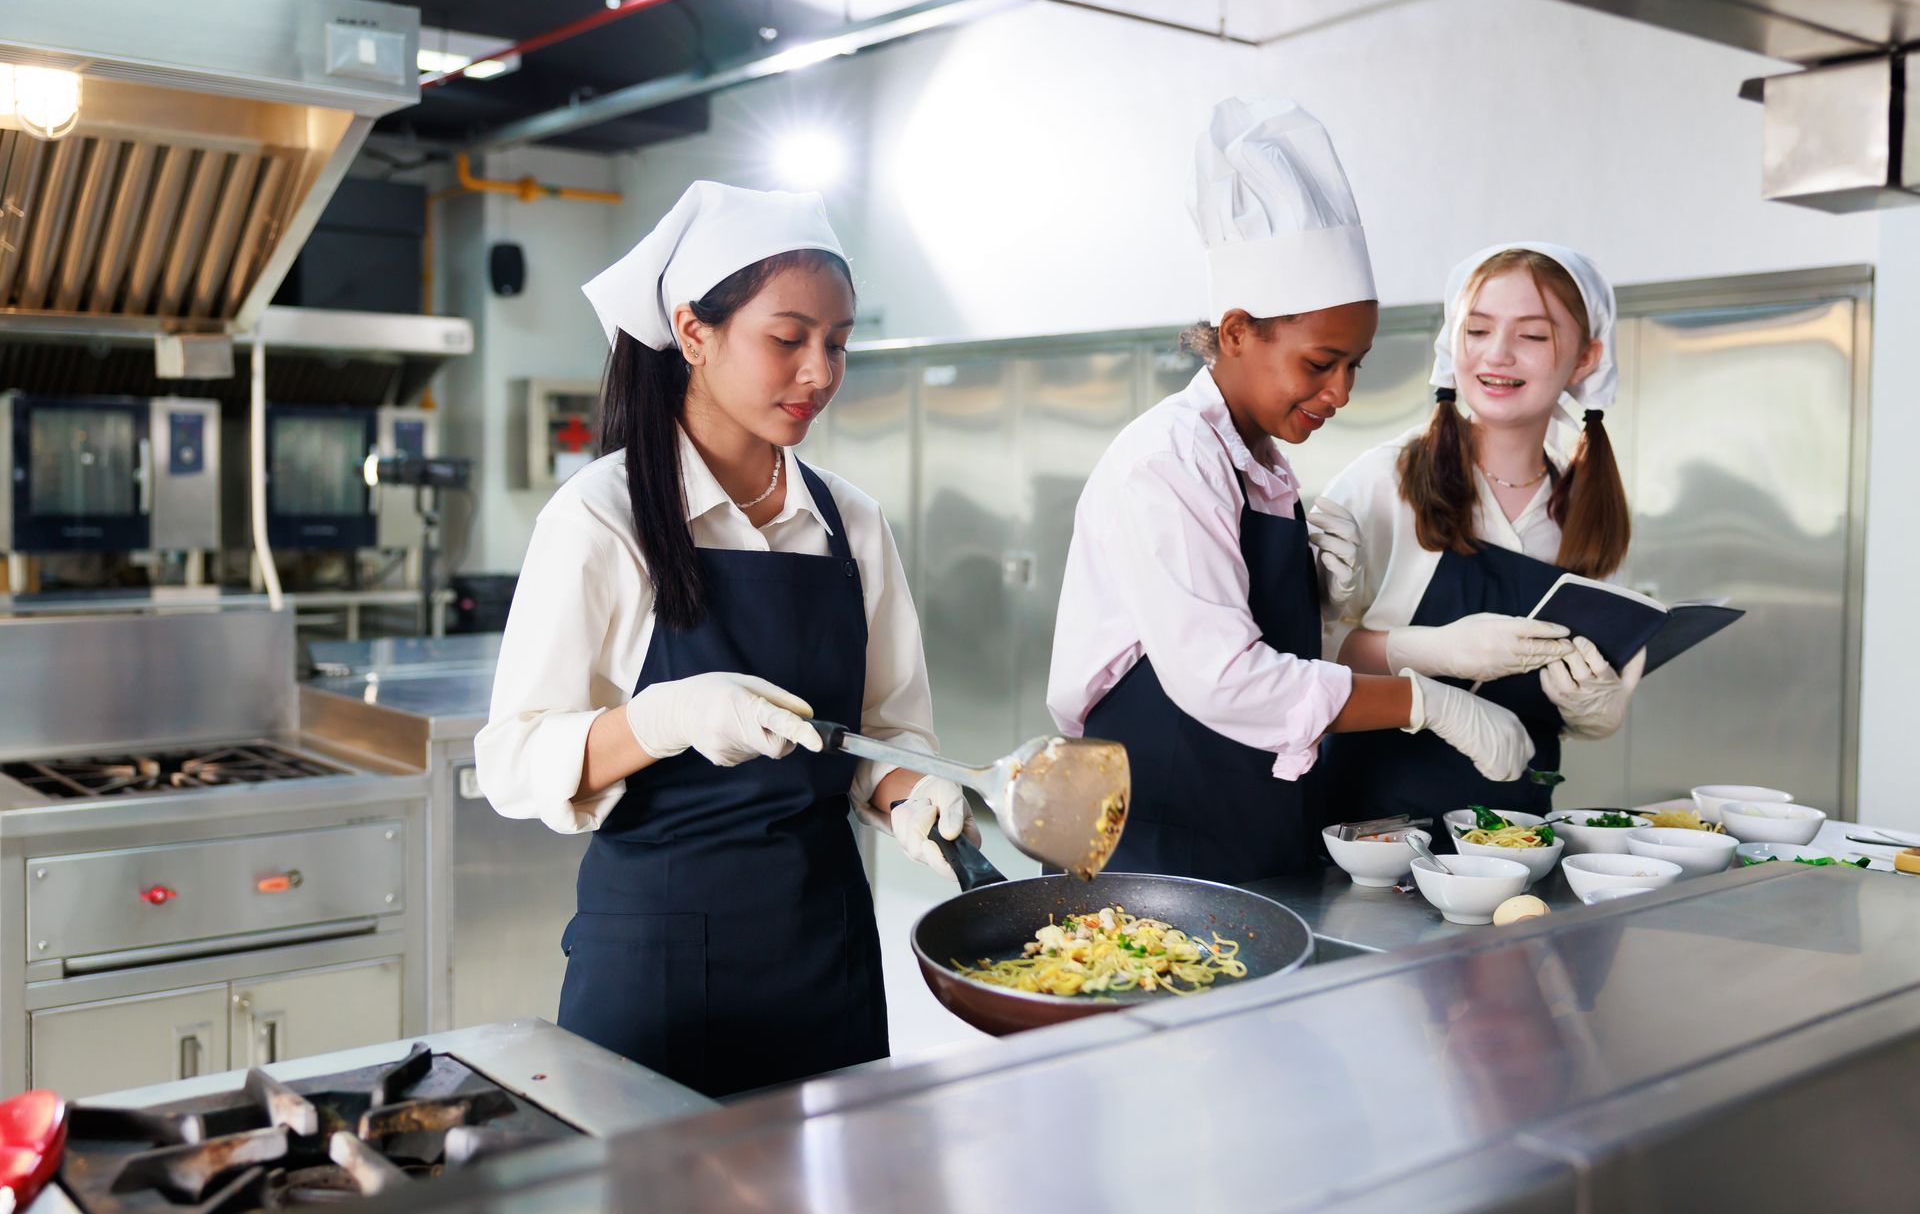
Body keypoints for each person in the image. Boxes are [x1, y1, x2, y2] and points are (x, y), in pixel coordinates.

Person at [476, 181, 975, 1098]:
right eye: (787, 340)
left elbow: (883, 733)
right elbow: (511, 760)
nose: (819, 372)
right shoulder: (602, 515)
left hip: (826, 956)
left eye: (838, 343)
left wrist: (912, 791)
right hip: (658, 969)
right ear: (694, 333)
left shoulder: (850, 523)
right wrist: (661, 721)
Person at [1046, 97, 1535, 885]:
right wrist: (1427, 701)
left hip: (1249, 812)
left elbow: (1261, 644)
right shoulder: (1167, 461)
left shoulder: (1262, 465)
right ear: (1236, 332)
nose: (1340, 391)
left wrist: (1323, 610)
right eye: (1320, 363)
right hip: (1155, 826)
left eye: (1356, 366)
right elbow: (1226, 680)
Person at [1309, 242, 1640, 823]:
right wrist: (1434, 650)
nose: (1498, 355)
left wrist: (1596, 709)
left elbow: (1599, 685)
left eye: (1533, 337)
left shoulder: (1586, 510)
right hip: (1359, 833)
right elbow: (1296, 656)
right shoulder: (1382, 482)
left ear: (1585, 359)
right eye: (1478, 330)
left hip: (1514, 836)